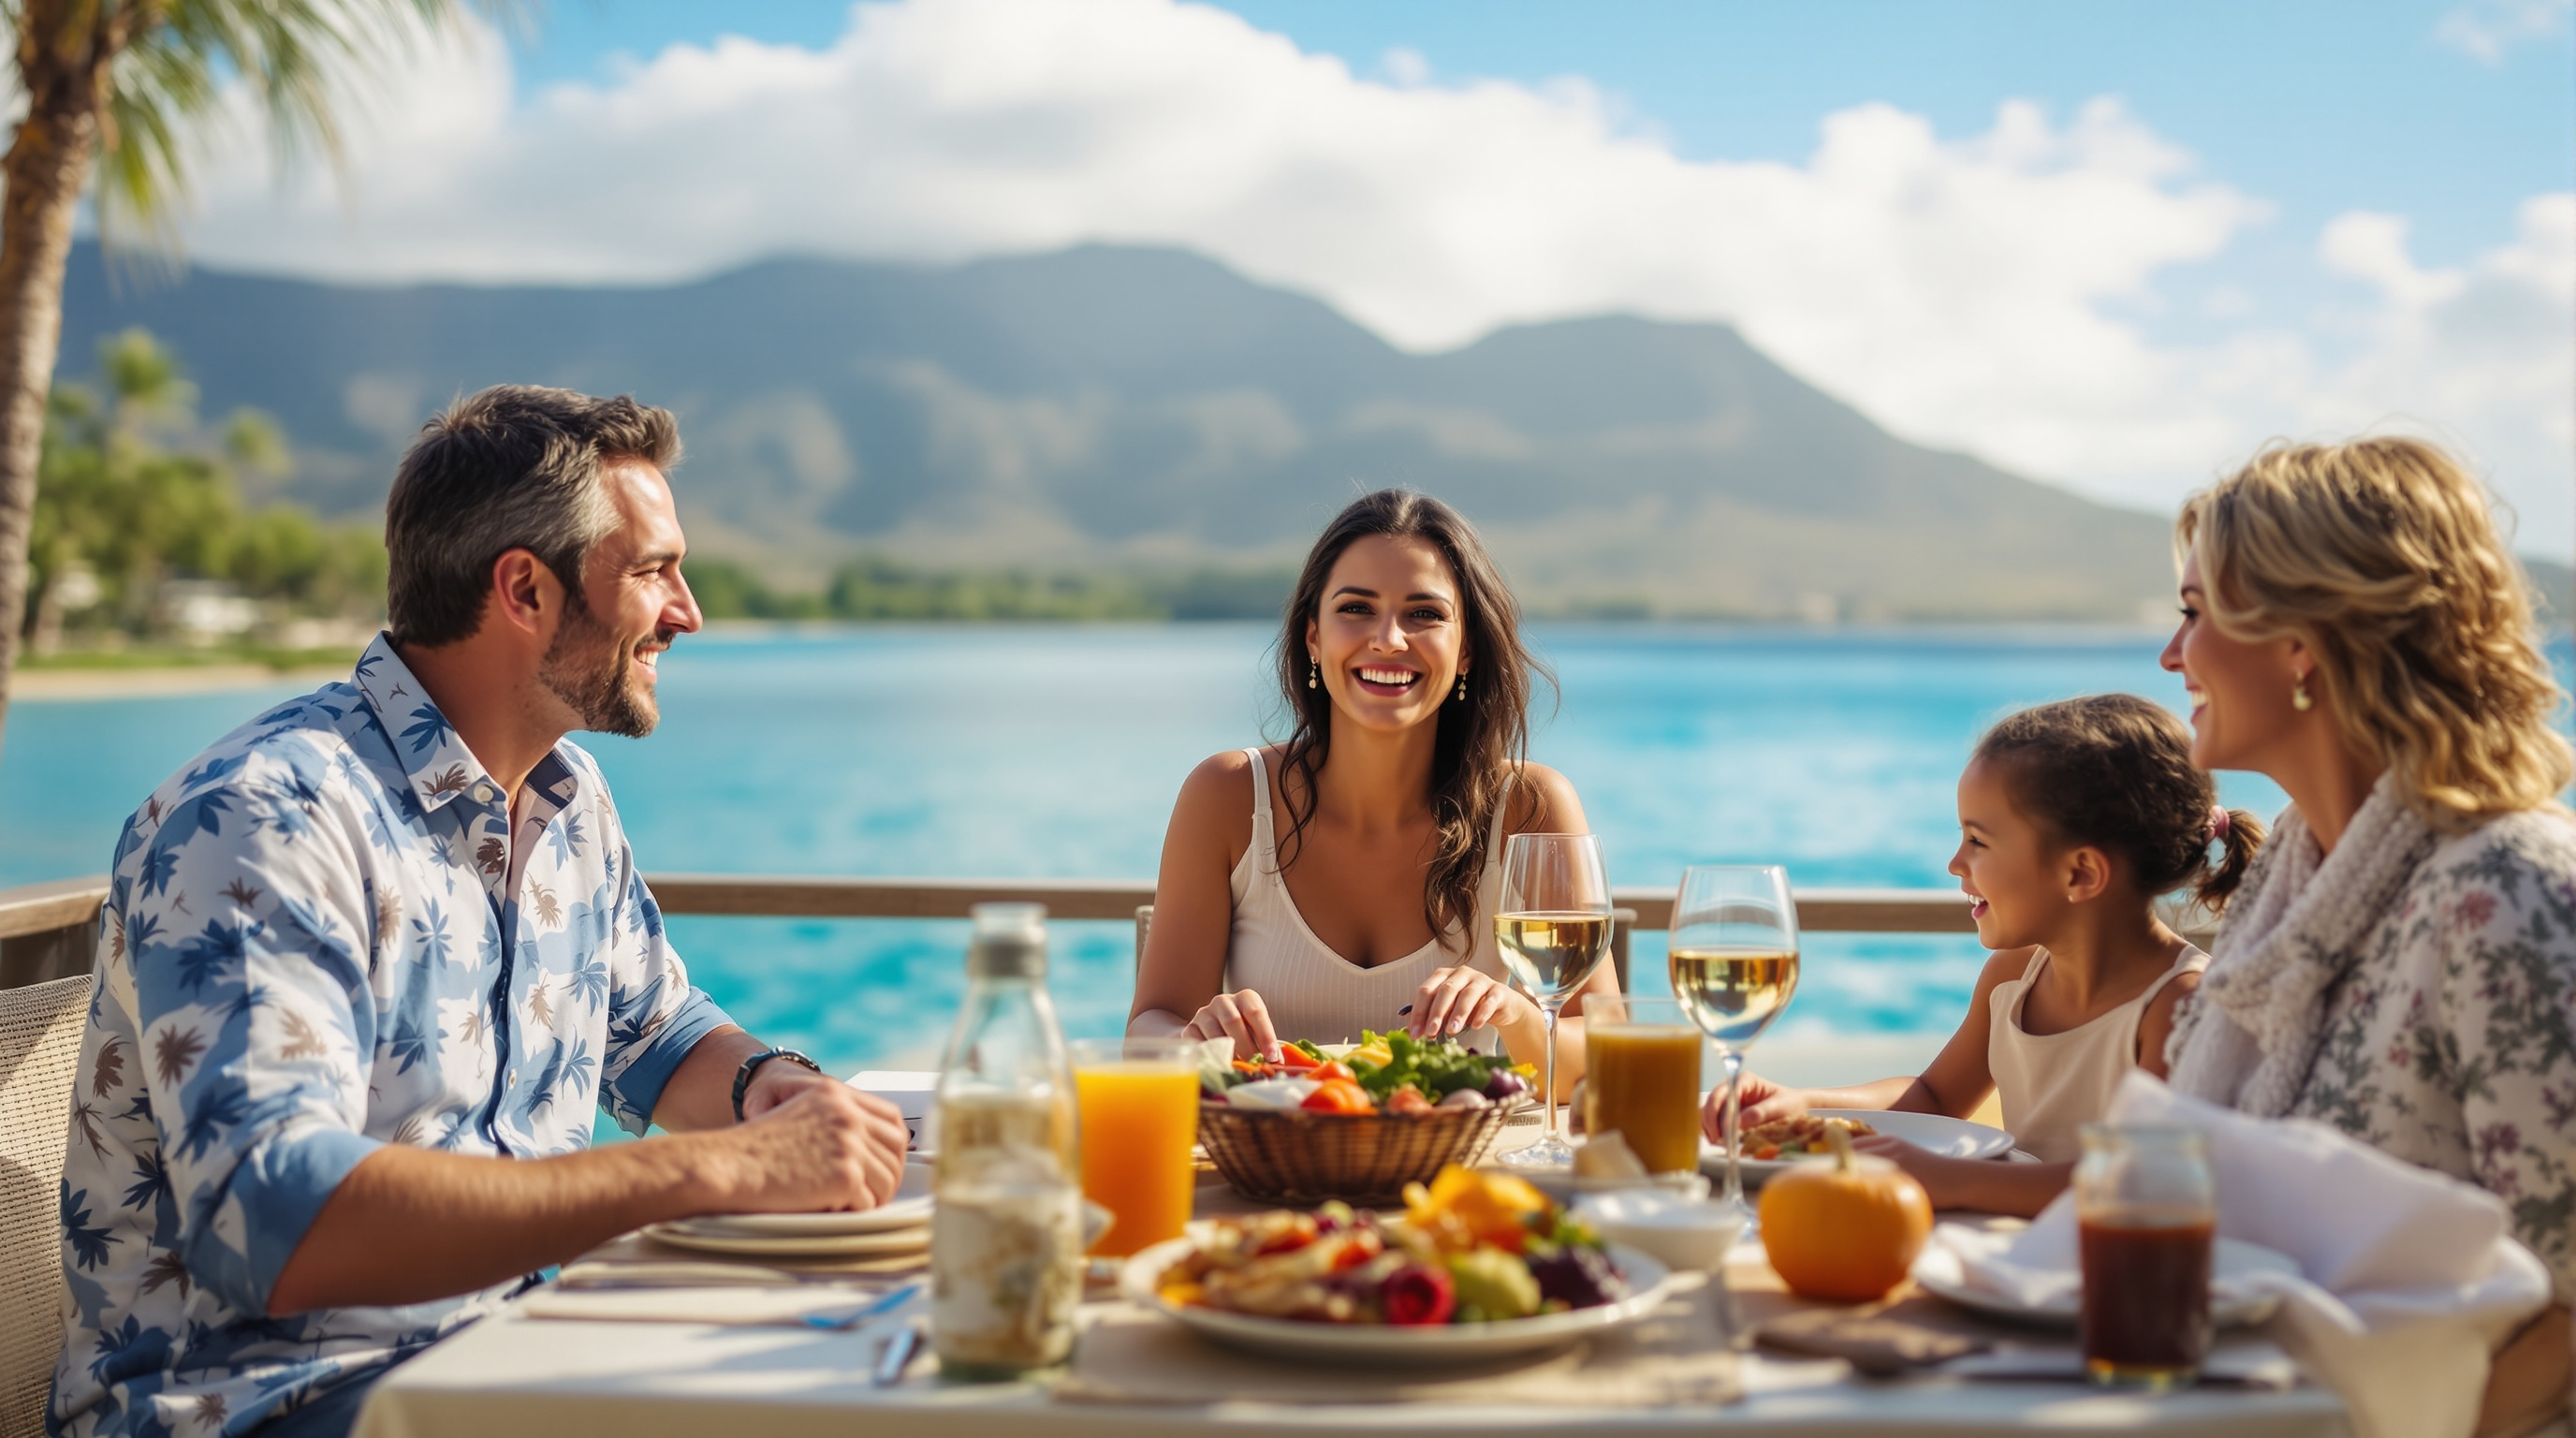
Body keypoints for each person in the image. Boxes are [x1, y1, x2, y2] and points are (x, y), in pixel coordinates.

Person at [49, 387, 912, 1438]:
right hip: (264, 1406)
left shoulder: (567, 796)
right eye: (651, 572)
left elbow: (654, 1033)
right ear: (524, 590)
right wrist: (713, 1170)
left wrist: (768, 1089)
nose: (687, 612)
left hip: (512, 1358)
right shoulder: (266, 819)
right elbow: (269, 1214)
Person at [2156, 436, 2572, 1436]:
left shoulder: (2506, 895)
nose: (2171, 656)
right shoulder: (2292, 884)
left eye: (2194, 613)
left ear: (2300, 644)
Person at [1128, 490, 1615, 1093]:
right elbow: (1149, 1029)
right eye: (1357, 608)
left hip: (1464, 1175)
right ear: (1313, 638)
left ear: (1465, 650)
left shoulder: (1529, 806)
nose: (1388, 639)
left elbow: (1606, 1058)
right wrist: (1191, 1043)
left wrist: (1514, 1013)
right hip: (1274, 1176)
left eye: (1424, 613)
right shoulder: (1226, 795)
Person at [1704, 694, 2262, 1215]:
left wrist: (1958, 1180)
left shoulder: (2178, 1005)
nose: (1954, 863)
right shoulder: (2015, 976)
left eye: (1978, 841)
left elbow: (2145, 1181)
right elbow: (1935, 1094)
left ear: (2081, 872)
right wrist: (1806, 1105)